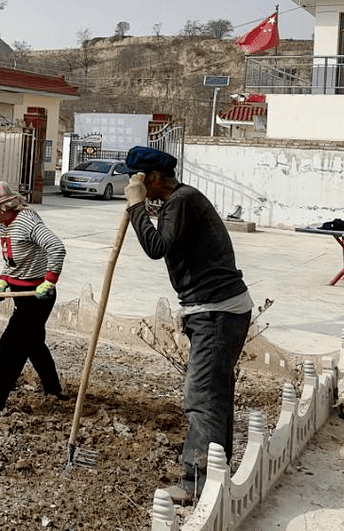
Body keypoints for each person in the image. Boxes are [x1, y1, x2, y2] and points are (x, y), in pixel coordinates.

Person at [122, 146, 253, 505]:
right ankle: (216, 472)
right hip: (218, 309)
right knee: (215, 395)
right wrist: (141, 207)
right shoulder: (180, 201)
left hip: (216, 311)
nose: (129, 183)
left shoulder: (182, 201)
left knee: (201, 397)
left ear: (152, 179)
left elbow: (156, 246)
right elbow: (166, 238)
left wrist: (135, 207)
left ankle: (198, 484)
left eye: (134, 179)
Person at [0, 180, 68, 410]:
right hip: (19, 291)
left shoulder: (27, 221)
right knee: (34, 343)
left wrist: (49, 281)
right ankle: (53, 390)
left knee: (10, 346)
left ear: (3, 207)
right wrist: (1, 283)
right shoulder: (4, 226)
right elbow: (14, 262)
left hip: (37, 295)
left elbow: (56, 247)